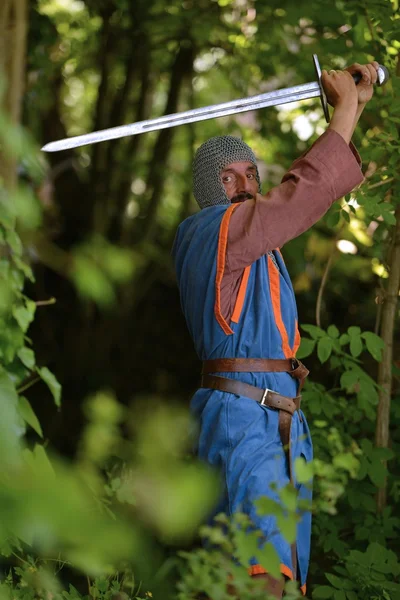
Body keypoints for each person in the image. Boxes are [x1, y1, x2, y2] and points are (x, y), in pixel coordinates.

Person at [172, 62, 378, 598]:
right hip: (244, 425)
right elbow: (301, 196)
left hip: (271, 428)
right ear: (205, 189)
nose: (243, 185)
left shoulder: (256, 245)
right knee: (253, 583)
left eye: (250, 174)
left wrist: (351, 108)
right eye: (227, 177)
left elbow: (300, 195)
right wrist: (345, 111)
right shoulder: (210, 233)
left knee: (269, 580)